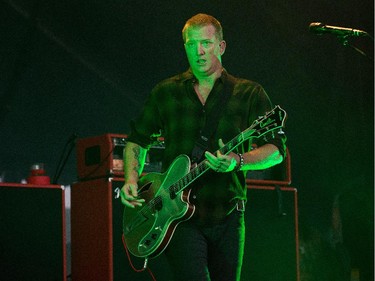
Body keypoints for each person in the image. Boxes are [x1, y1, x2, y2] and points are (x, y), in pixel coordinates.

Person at [121, 13, 287, 281]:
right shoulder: (166, 92)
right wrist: (130, 178)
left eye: (206, 44)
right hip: (178, 219)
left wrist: (238, 161)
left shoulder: (249, 93)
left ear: (221, 46)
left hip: (228, 214)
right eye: (191, 44)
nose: (198, 51)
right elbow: (137, 140)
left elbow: (276, 151)